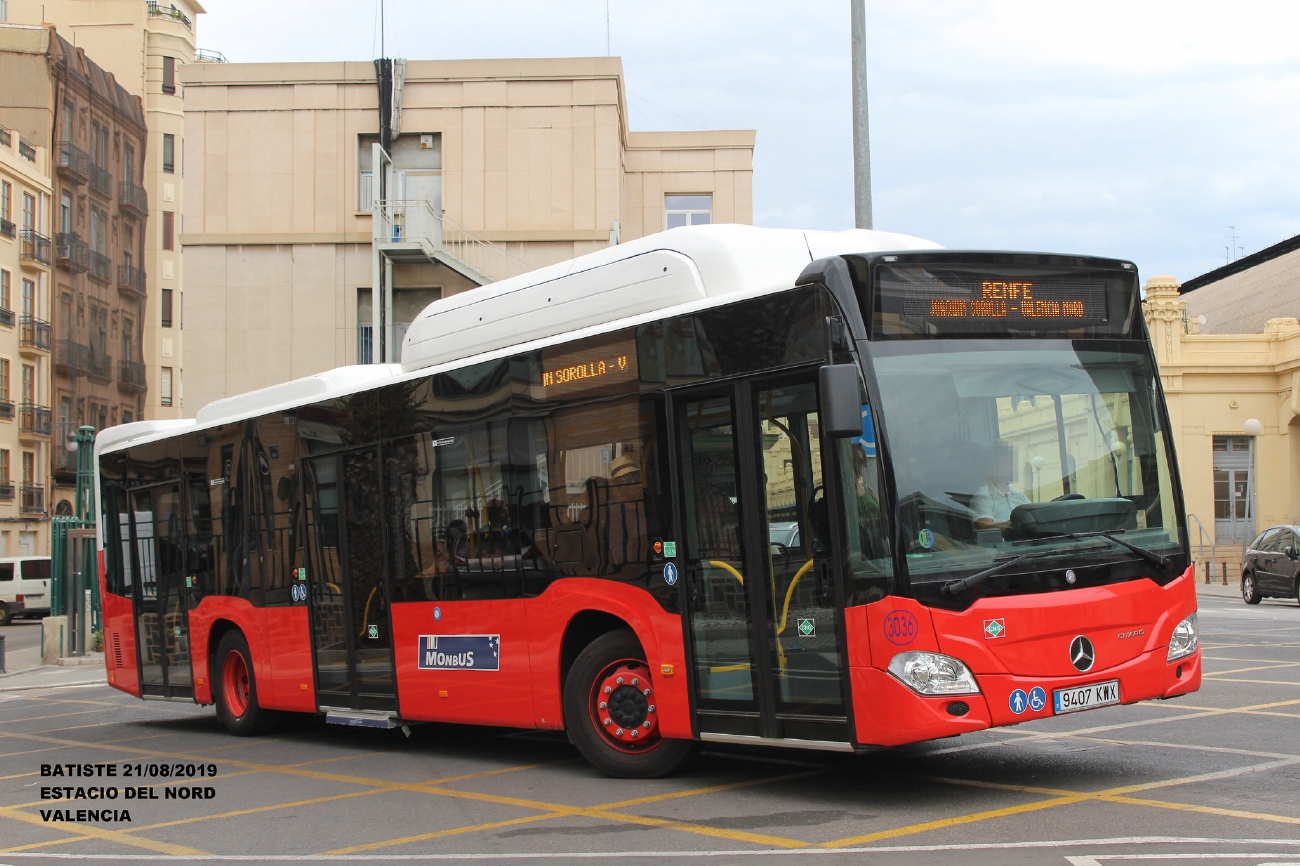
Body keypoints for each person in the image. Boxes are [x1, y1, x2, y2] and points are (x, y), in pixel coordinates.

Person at [970, 444, 1031, 530]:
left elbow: (1034, 516)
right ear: (993, 467)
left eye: (1013, 465)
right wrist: (1016, 523)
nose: (1012, 469)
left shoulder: (1019, 495)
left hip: (1028, 542)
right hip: (1002, 543)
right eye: (1007, 464)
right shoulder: (983, 497)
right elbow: (986, 530)